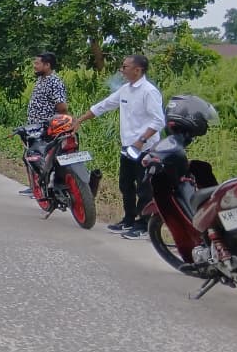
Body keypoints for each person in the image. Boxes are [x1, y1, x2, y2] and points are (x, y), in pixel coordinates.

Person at [72, 54, 165, 239]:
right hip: (128, 147)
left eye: (125, 67)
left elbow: (158, 120)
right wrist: (80, 120)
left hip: (145, 148)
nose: (121, 70)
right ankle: (129, 219)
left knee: (144, 188)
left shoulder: (149, 91)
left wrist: (141, 140)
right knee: (125, 184)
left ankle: (143, 225)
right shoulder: (125, 90)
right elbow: (103, 106)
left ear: (137, 70)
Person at [21, 52, 69, 194]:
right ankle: (35, 187)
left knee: (41, 157)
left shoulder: (55, 81)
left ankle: (44, 188)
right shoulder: (42, 79)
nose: (34, 66)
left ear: (47, 65)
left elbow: (62, 107)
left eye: (37, 63)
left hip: (46, 128)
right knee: (30, 157)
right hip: (34, 127)